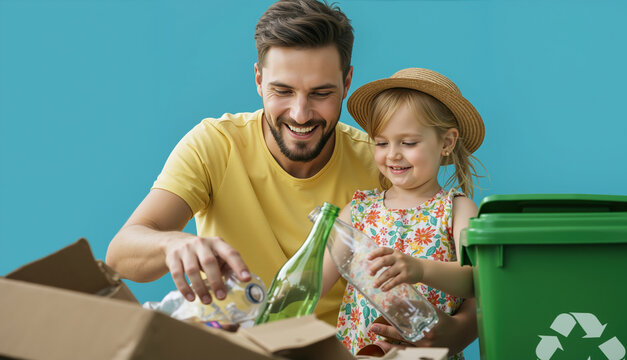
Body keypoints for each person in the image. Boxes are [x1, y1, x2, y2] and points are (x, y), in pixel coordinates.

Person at [106, 0, 477, 354]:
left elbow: (472, 280)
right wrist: (173, 245)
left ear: (347, 83)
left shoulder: (380, 162)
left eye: (320, 93)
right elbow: (120, 255)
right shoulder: (215, 145)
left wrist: (460, 330)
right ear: (257, 79)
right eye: (282, 91)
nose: (300, 114)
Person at [321, 67, 485, 358]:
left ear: (446, 143)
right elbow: (315, 282)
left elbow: (476, 280)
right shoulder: (358, 211)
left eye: (408, 143)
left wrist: (420, 270)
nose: (393, 154)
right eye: (382, 142)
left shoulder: (457, 210)